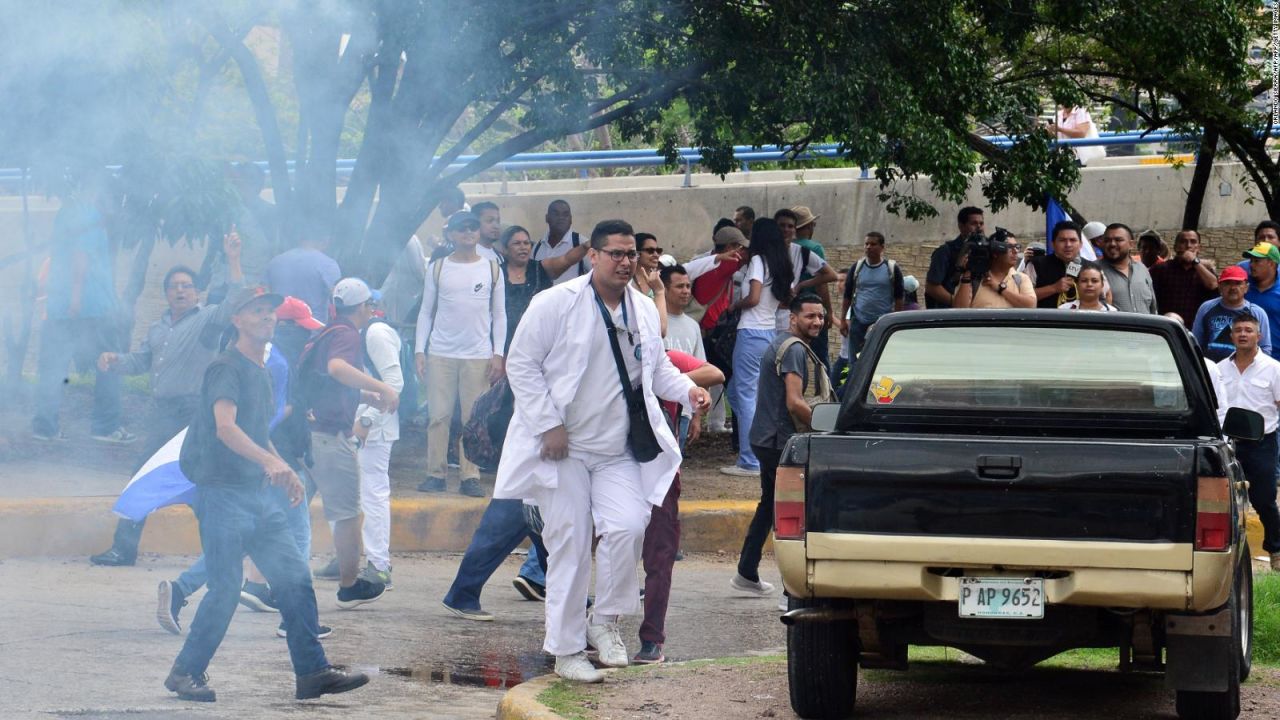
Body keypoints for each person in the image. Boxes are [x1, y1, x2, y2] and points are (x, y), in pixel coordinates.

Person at [494, 219, 707, 683]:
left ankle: (605, 622)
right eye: (615, 253)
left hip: (617, 451)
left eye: (631, 254)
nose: (626, 262)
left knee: (629, 527)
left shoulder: (645, 310)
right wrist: (548, 424)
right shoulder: (554, 303)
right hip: (564, 450)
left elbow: (653, 369)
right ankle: (566, 650)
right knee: (569, 547)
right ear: (593, 255)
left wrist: (689, 390)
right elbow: (521, 364)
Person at [164, 287, 368, 703]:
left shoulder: (261, 369)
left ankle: (312, 673)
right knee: (224, 588)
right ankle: (185, 672)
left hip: (257, 497)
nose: (266, 316)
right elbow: (226, 427)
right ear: (237, 320)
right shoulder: (227, 367)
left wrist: (283, 467)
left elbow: (257, 434)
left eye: (269, 311)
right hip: (222, 495)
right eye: (256, 311)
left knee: (294, 580)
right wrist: (269, 463)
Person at [90, 241, 245, 567]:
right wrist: (115, 360)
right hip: (161, 414)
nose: (181, 291)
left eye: (187, 286)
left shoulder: (206, 320)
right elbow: (140, 361)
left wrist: (233, 260)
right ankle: (124, 549)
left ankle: (220, 551)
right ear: (166, 293)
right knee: (143, 477)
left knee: (201, 481)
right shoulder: (159, 327)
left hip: (193, 413)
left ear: (196, 292)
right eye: (174, 286)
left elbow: (235, 302)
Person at [437, 225, 551, 621]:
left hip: (532, 458)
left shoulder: (537, 346)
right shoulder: (534, 351)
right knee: (516, 526)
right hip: (529, 456)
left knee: (544, 529)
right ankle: (463, 592)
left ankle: (560, 591)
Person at [302, 278, 399, 607]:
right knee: (346, 515)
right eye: (370, 305)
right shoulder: (346, 334)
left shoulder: (328, 331)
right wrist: (382, 389)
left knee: (288, 510)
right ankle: (349, 585)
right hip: (330, 436)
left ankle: (260, 582)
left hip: (308, 433)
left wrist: (364, 393)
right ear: (363, 308)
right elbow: (337, 369)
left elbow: (326, 383)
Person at [731, 294, 826, 601]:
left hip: (765, 438)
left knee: (770, 505)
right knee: (795, 510)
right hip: (779, 441)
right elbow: (794, 401)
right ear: (793, 318)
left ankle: (747, 572)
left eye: (820, 317)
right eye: (809, 316)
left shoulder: (782, 344)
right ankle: (796, 587)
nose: (816, 322)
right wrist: (825, 426)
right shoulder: (795, 349)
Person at [637, 350, 724, 664]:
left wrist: (679, 385)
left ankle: (651, 639)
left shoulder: (667, 359)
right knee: (612, 545)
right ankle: (599, 628)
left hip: (662, 471)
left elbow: (714, 374)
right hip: (616, 468)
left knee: (660, 555)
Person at [32, 173, 131, 444]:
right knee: (109, 364)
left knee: (53, 367)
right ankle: (106, 427)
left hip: (61, 306)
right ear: (100, 191)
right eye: (114, 198)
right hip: (89, 308)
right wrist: (76, 299)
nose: (116, 205)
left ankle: (45, 427)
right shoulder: (88, 215)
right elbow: (81, 258)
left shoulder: (67, 212)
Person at [414, 211, 506, 497]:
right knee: (438, 416)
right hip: (440, 352)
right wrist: (420, 350)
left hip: (477, 354)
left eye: (472, 227)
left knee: (472, 418)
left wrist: (498, 353)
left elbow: (499, 315)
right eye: (462, 228)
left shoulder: (492, 268)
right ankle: (435, 473)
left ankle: (470, 476)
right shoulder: (438, 268)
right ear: (451, 235)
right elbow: (426, 312)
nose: (468, 232)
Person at [720, 218, 793, 478]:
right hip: (769, 333)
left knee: (744, 396)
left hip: (750, 332)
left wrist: (733, 306)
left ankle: (749, 460)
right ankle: (762, 454)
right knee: (754, 396)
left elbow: (752, 298)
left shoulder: (758, 261)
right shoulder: (780, 263)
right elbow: (783, 301)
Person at [1215, 313, 1280, 571]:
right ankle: (1228, 555)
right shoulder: (1220, 368)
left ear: (1258, 335)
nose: (1243, 334)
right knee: (1225, 499)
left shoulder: (1274, 369)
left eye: (1248, 330)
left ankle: (1276, 550)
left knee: (1264, 499)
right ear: (1231, 336)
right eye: (1238, 330)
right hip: (1227, 443)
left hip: (1262, 443)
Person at [355, 302, 405, 589]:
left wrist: (368, 419)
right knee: (356, 493)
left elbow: (393, 382)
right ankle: (347, 556)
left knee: (373, 494)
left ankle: (379, 565)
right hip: (364, 425)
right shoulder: (362, 332)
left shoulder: (376, 333)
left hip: (376, 428)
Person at [199, 162, 276, 304]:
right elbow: (214, 248)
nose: (238, 186)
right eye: (235, 182)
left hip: (251, 285)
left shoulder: (269, 214)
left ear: (257, 185)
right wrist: (201, 281)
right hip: (221, 284)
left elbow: (275, 252)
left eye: (244, 182)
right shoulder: (224, 211)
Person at [661, 265, 707, 445]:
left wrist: (697, 417)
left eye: (688, 286)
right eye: (680, 286)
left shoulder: (693, 326)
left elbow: (703, 372)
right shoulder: (653, 320)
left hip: (685, 409)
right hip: (658, 409)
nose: (686, 291)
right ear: (664, 289)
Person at [839, 232, 904, 361]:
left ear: (882, 247)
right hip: (858, 320)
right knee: (855, 361)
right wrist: (842, 320)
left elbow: (899, 297)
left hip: (882, 320)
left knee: (878, 358)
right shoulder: (857, 267)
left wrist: (896, 321)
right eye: (866, 244)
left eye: (873, 244)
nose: (868, 247)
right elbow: (847, 296)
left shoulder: (891, 268)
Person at [1193, 266, 1271, 361]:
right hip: (1211, 370)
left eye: (1238, 283)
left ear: (1246, 287)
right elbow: (1195, 342)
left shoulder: (1257, 313)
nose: (1233, 288)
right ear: (1220, 286)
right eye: (1227, 283)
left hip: (1246, 371)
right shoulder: (1206, 308)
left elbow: (1265, 348)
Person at [1027, 221, 1112, 309]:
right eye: (1062, 240)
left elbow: (1107, 295)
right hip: (1047, 320)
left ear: (1080, 244)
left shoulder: (1093, 267)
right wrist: (1053, 288)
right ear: (1053, 244)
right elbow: (1024, 297)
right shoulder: (1036, 264)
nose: (1068, 245)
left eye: (1073, 240)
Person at [1150, 229, 1219, 328]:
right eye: (1183, 241)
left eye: (1193, 242)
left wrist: (1195, 262)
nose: (1188, 245)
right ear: (1175, 247)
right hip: (1167, 326)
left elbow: (1213, 285)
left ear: (1199, 248)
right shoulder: (1160, 269)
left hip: (1196, 328)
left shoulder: (1205, 272)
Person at [952, 232, 1035, 309]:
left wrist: (1000, 288)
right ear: (995, 252)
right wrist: (968, 272)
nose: (1015, 251)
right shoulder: (974, 279)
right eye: (1009, 247)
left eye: (1017, 247)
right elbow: (959, 310)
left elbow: (1031, 305)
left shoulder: (1021, 278)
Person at [925, 207, 984, 309]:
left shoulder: (986, 250)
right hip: (950, 316)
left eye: (981, 223)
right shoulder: (945, 252)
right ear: (961, 226)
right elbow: (932, 287)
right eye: (974, 223)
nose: (979, 227)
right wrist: (957, 302)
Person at [1098, 223, 1158, 314]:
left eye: (1118, 240)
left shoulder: (1142, 269)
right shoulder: (1093, 270)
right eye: (1107, 240)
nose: (1112, 244)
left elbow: (1153, 308)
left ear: (1131, 244)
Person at [1241, 230, 1280, 357]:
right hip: (1243, 359)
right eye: (1251, 260)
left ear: (1272, 263)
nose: (1251, 265)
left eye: (1257, 261)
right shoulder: (1242, 286)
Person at [533, 199, 590, 284]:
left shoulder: (582, 244)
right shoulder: (536, 248)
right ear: (547, 218)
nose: (561, 218)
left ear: (571, 219)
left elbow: (597, 276)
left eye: (565, 214)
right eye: (556, 214)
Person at [633, 232, 668, 336]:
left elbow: (662, 330)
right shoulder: (626, 281)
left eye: (658, 251)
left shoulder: (659, 282)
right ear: (637, 253)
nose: (656, 255)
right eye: (650, 251)